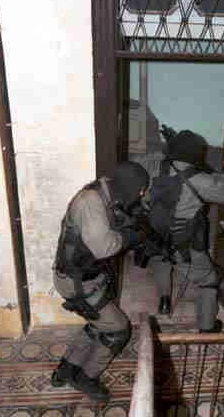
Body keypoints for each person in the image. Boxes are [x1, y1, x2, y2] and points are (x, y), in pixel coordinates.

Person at [50, 161, 150, 402]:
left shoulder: (106, 194)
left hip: (83, 277)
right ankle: (86, 377)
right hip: (77, 282)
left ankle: (65, 370)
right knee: (118, 329)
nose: (141, 195)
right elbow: (104, 247)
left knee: (99, 323)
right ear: (129, 185)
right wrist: (131, 237)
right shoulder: (90, 202)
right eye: (140, 190)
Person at [147, 128, 224, 333]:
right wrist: (213, 172)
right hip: (184, 243)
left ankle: (164, 301)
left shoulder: (155, 166)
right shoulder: (200, 179)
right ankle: (207, 327)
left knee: (162, 261)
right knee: (209, 280)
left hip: (155, 236)